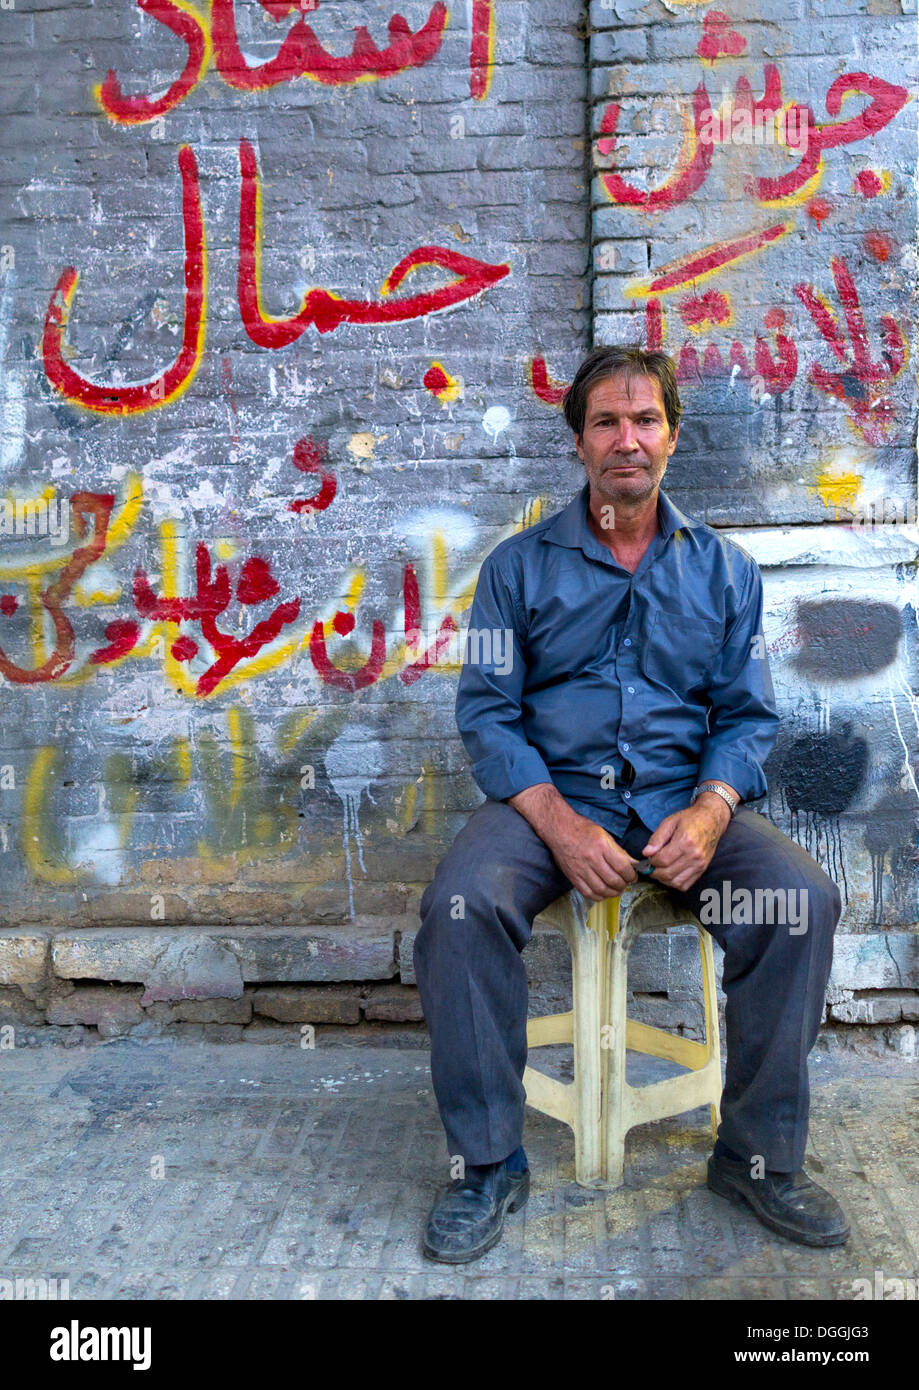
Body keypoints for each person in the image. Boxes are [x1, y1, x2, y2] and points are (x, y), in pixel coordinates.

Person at [414, 344, 849, 1264]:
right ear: (577, 443)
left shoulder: (723, 572)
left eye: (643, 419)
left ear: (672, 436)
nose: (626, 438)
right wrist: (561, 826)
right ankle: (487, 1165)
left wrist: (711, 810)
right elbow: (487, 717)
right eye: (604, 422)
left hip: (681, 811)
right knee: (460, 907)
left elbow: (745, 717)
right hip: (547, 804)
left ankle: (757, 1159)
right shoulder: (515, 569)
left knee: (798, 902)